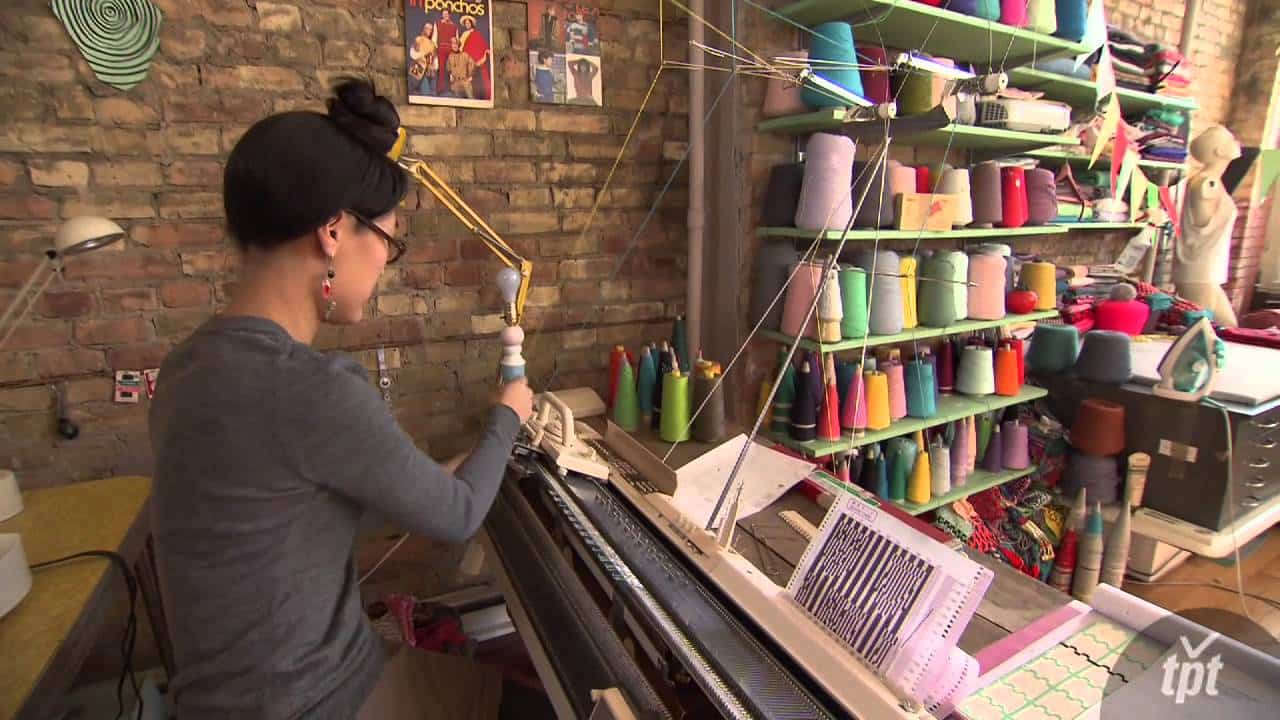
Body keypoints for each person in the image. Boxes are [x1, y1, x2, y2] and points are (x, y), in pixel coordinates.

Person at [148, 77, 534, 719]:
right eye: (387, 240)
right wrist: (508, 415)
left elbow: (287, 512)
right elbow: (459, 515)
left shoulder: (187, 370)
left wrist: (434, 473)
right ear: (333, 231)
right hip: (320, 702)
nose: (384, 262)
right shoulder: (311, 389)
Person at [459, 15, 492, 100]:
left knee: (478, 78)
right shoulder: (463, 34)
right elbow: (461, 46)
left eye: (468, 23)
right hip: (466, 59)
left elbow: (481, 44)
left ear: (471, 23)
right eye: (465, 23)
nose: (467, 24)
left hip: (476, 58)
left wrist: (486, 51)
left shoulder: (476, 33)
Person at [408, 21, 438, 96]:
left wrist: (434, 67)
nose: (429, 31)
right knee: (425, 92)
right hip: (419, 68)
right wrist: (422, 56)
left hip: (430, 72)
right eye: (428, 29)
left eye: (431, 30)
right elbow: (412, 52)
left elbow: (435, 58)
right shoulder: (418, 39)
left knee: (432, 94)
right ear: (424, 29)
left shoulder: (432, 44)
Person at [435, 10, 457, 91]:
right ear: (442, 15)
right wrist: (436, 49)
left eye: (447, 14)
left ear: (449, 15)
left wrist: (455, 50)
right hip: (441, 49)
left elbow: (456, 39)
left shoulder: (454, 26)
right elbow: (435, 37)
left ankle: (453, 88)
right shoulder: (438, 24)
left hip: (451, 50)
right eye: (444, 14)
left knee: (452, 69)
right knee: (442, 69)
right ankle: (441, 88)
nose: (445, 15)